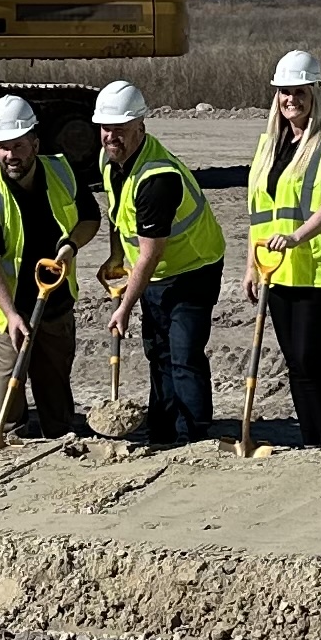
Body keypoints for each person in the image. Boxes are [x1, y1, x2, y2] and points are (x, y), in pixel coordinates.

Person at [91, 80, 228, 447]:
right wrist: (116, 256)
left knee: (183, 354)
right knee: (158, 351)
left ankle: (193, 436)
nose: (111, 136)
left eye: (120, 128)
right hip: (155, 271)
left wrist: (124, 306)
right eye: (105, 128)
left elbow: (151, 253)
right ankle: (163, 430)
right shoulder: (111, 161)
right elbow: (118, 214)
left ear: (140, 126)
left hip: (193, 268)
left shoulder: (157, 178)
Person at [244, 50, 321, 447]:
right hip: (278, 268)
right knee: (295, 361)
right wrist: (251, 265)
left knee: (309, 358)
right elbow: (259, 213)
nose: (290, 99)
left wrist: (296, 237)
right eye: (284, 92)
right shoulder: (268, 147)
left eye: (299, 92)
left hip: (320, 267)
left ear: (314, 94)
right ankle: (312, 441)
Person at [0, 94, 94, 437]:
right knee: (10, 379)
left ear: (35, 144)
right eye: (2, 147)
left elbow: (90, 218)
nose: (11, 155)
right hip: (8, 306)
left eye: (18, 145)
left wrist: (71, 245)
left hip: (56, 300)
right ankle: (6, 434)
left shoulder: (62, 172)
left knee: (55, 380)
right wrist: (11, 316)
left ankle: (60, 436)